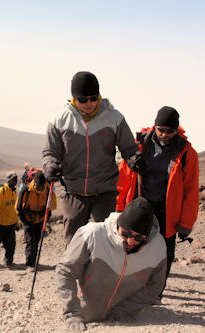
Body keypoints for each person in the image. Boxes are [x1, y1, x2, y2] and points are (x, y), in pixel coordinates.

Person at [42, 71, 145, 245]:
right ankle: (73, 272)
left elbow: (129, 147)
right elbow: (50, 152)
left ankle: (101, 273)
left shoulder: (115, 118)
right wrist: (50, 166)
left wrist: (134, 158)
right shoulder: (59, 121)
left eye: (93, 98)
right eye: (83, 100)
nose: (89, 103)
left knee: (105, 241)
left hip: (105, 190)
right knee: (73, 243)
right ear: (74, 98)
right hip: (73, 191)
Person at [116, 106, 199, 297]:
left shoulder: (187, 153)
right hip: (139, 208)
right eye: (161, 129)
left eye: (169, 131)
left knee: (164, 255)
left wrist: (186, 224)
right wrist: (119, 208)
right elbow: (124, 178)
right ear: (155, 126)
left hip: (166, 212)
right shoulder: (139, 145)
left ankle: (155, 293)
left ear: (176, 130)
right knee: (131, 248)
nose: (164, 134)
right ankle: (127, 289)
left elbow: (191, 192)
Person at [56, 197, 167, 331]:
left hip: (126, 316)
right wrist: (72, 313)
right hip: (85, 310)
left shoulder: (158, 247)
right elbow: (65, 271)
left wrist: (126, 309)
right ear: (118, 225)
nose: (131, 241)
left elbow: (155, 285)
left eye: (139, 238)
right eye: (126, 234)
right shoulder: (92, 234)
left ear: (148, 236)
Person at [16, 171, 57, 271]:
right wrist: (25, 222)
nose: (39, 188)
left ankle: (33, 262)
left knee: (36, 241)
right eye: (38, 186)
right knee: (30, 242)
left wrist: (45, 221)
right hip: (28, 219)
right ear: (35, 183)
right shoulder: (26, 190)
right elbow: (18, 208)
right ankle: (29, 264)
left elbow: (49, 209)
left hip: (40, 220)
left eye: (41, 186)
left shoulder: (48, 190)